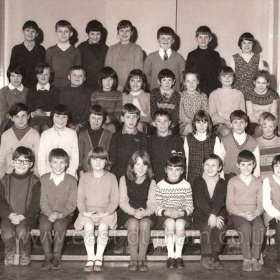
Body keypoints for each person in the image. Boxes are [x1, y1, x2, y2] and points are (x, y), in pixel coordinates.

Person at [75, 147, 118, 272]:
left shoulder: (111, 177)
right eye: (94, 159)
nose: (98, 163)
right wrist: (85, 213)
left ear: (106, 162)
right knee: (88, 227)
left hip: (106, 213)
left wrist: (106, 212)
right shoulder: (84, 178)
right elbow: (80, 199)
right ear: (90, 161)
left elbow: (114, 200)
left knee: (103, 227)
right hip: (87, 213)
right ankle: (90, 258)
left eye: (101, 159)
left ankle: (98, 258)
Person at [148, 109, 184, 255]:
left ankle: (174, 244)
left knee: (172, 210)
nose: (162, 124)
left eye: (165, 121)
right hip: (156, 180)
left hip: (173, 180)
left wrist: (179, 179)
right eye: (159, 121)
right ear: (153, 123)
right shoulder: (150, 140)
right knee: (159, 209)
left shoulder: (176, 139)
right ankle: (158, 244)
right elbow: (147, 161)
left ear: (170, 123)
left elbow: (181, 161)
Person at [0, 146, 41, 266]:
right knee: (7, 232)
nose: (22, 164)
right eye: (19, 160)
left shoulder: (35, 181)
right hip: (9, 215)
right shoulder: (4, 181)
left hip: (27, 216)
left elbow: (36, 203)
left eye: (26, 161)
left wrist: (24, 215)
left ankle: (25, 251)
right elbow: (0, 201)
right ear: (13, 162)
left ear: (31, 164)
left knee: (22, 231)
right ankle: (10, 252)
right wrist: (9, 214)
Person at [226, 150, 264, 272]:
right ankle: (247, 258)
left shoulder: (258, 182)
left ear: (254, 165)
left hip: (254, 213)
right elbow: (229, 205)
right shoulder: (233, 181)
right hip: (238, 213)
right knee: (245, 227)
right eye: (243, 164)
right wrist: (242, 214)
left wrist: (256, 213)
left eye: (249, 164)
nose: (246, 167)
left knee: (259, 226)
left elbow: (261, 204)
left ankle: (255, 258)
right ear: (238, 165)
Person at [119, 150, 157, 271]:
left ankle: (142, 259)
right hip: (129, 211)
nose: (141, 168)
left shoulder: (152, 181)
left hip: (146, 211)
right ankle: (133, 259)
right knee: (133, 223)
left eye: (144, 164)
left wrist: (145, 212)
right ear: (132, 165)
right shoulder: (124, 179)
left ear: (148, 166)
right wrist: (133, 212)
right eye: (137, 164)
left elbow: (152, 203)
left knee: (145, 223)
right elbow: (123, 201)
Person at [40, 148, 77, 270]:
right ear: (49, 163)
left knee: (59, 226)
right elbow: (43, 201)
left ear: (66, 164)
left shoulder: (72, 181)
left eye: (62, 162)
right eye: (55, 162)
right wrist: (50, 213)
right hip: (46, 213)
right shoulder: (44, 179)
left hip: (65, 215)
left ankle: (56, 257)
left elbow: (72, 204)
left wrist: (61, 214)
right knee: (45, 226)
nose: (58, 166)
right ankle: (47, 257)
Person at [155, 152, 193, 269]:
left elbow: (190, 207)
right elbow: (157, 207)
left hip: (182, 214)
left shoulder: (186, 185)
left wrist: (181, 213)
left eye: (177, 169)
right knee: (171, 223)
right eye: (170, 169)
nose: (173, 172)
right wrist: (167, 212)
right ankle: (170, 256)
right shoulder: (160, 185)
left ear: (182, 171)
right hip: (166, 215)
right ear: (165, 170)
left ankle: (178, 256)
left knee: (180, 223)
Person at [192, 154, 227, 270]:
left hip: (218, 212)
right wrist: (211, 215)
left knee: (221, 226)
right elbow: (200, 201)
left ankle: (215, 256)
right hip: (201, 212)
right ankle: (206, 256)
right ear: (203, 166)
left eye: (213, 165)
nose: (210, 168)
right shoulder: (198, 181)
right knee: (207, 226)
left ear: (220, 168)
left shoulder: (222, 183)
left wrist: (215, 216)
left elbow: (219, 201)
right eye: (207, 165)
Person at [38, 104, 79, 178]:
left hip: (68, 175)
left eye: (64, 117)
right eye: (57, 116)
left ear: (68, 118)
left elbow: (74, 159)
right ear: (52, 117)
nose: (61, 120)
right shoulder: (45, 134)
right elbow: (41, 160)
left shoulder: (72, 134)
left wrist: (68, 176)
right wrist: (45, 177)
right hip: (49, 175)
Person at [0, 103, 40, 178]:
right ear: (12, 118)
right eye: (16, 116)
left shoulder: (35, 135)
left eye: (23, 116)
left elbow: (38, 159)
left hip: (28, 176)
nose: (20, 119)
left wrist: (35, 178)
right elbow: (1, 160)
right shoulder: (5, 135)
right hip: (9, 175)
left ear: (28, 116)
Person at [109, 103, 148, 180]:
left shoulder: (143, 137)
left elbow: (144, 158)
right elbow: (112, 159)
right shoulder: (116, 136)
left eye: (134, 117)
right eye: (128, 117)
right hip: (119, 174)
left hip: (137, 174)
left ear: (138, 118)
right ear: (122, 118)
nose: (131, 120)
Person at [184, 110, 222, 186]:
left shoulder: (214, 139)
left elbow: (219, 160)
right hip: (192, 176)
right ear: (194, 123)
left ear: (209, 124)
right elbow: (186, 160)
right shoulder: (188, 138)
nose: (201, 125)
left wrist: (219, 177)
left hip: (209, 176)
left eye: (204, 122)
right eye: (198, 122)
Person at [220, 110, 260, 181]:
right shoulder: (225, 140)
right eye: (235, 122)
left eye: (241, 122)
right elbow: (220, 159)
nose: (239, 125)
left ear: (246, 124)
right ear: (231, 124)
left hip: (247, 174)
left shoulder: (253, 141)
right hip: (229, 175)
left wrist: (255, 177)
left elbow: (256, 162)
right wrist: (221, 176)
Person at [105, 20, 143, 92]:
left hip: (132, 87)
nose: (124, 33)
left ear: (131, 33)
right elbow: (108, 70)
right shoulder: (112, 49)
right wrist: (115, 85)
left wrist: (129, 86)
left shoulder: (137, 49)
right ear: (118, 32)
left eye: (127, 31)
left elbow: (138, 71)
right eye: (121, 30)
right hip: (114, 86)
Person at [144, 26, 185, 92]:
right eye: (162, 38)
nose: (165, 40)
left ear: (173, 40)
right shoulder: (150, 57)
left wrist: (175, 85)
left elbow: (182, 76)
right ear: (158, 40)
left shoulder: (179, 58)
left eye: (168, 38)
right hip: (156, 93)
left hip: (174, 94)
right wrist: (154, 84)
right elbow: (146, 75)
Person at [209, 66, 245, 138]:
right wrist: (225, 121)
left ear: (233, 78)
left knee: (238, 133)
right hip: (220, 125)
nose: (227, 78)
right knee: (226, 132)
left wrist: (235, 123)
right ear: (219, 78)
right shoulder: (214, 94)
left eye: (230, 76)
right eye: (224, 76)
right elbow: (212, 115)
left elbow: (243, 114)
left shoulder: (239, 94)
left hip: (236, 124)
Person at [185, 26, 221, 97]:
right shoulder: (191, 55)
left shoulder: (215, 55)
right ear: (196, 38)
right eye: (200, 37)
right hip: (196, 89)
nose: (203, 40)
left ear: (210, 39)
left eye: (206, 37)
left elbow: (218, 74)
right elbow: (188, 74)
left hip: (212, 89)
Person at [46, 20, 81, 91]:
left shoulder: (76, 51)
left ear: (71, 33)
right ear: (55, 33)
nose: (63, 34)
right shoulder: (50, 50)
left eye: (66, 31)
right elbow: (47, 71)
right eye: (60, 31)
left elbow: (78, 71)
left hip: (71, 85)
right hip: (54, 84)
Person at [9, 20, 46, 88]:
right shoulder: (16, 49)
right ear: (23, 31)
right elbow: (11, 70)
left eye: (33, 31)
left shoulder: (41, 49)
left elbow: (44, 71)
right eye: (28, 30)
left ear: (37, 34)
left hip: (36, 86)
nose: (30, 33)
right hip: (20, 86)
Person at [78, 104, 112, 176]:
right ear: (88, 118)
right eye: (93, 118)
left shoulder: (108, 134)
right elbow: (80, 154)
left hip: (103, 171)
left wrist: (107, 170)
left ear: (103, 119)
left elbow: (110, 154)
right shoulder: (82, 135)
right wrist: (81, 170)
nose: (96, 121)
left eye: (99, 118)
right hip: (86, 171)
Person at [26, 63, 60, 133]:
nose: (43, 76)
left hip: (49, 118)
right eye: (40, 74)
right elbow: (29, 107)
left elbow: (56, 108)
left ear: (50, 76)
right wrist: (34, 113)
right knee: (35, 128)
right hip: (34, 118)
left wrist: (45, 113)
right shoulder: (31, 90)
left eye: (46, 74)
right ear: (36, 75)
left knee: (46, 128)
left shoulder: (55, 91)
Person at [245, 70, 279, 137]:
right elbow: (250, 114)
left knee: (271, 129)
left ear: (268, 83)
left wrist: (267, 123)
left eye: (264, 83)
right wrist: (260, 123)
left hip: (269, 122)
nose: (261, 86)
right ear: (254, 82)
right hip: (254, 122)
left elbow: (273, 113)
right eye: (258, 82)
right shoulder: (249, 95)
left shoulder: (273, 95)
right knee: (259, 130)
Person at [60, 66, 92, 133]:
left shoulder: (89, 93)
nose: (77, 77)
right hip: (67, 122)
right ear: (69, 77)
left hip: (83, 123)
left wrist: (79, 125)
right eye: (74, 75)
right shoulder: (64, 92)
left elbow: (88, 112)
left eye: (80, 75)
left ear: (84, 79)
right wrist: (69, 124)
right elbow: (62, 110)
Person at [78, 20, 108, 90]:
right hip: (86, 83)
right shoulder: (81, 47)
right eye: (92, 34)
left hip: (101, 84)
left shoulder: (105, 48)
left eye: (98, 34)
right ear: (88, 33)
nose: (95, 37)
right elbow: (78, 66)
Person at [91, 67, 122, 134]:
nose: (108, 82)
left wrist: (111, 119)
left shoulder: (118, 94)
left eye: (110, 79)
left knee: (111, 127)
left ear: (114, 81)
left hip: (113, 121)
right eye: (105, 79)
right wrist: (103, 119)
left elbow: (118, 112)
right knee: (101, 126)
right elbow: (93, 111)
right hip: (98, 119)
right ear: (100, 80)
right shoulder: (95, 94)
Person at [263, 155, 280, 273]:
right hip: (272, 214)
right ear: (272, 168)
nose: (279, 168)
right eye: (276, 166)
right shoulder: (268, 180)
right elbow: (266, 203)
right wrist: (277, 214)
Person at [179, 70, 208, 136]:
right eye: (188, 81)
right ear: (184, 82)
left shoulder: (203, 96)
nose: (191, 84)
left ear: (198, 82)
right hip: (184, 123)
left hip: (200, 122)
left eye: (194, 81)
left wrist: (198, 122)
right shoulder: (180, 95)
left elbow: (205, 112)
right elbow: (180, 113)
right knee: (190, 129)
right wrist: (190, 121)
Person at [0, 64, 28, 131]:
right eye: (13, 76)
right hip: (8, 120)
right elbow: (2, 109)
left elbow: (28, 108)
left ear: (22, 77)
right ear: (9, 77)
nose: (16, 79)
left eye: (19, 75)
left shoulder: (27, 91)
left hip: (24, 120)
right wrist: (11, 117)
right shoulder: (3, 91)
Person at [257, 112, 280, 181]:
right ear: (260, 127)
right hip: (262, 178)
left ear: (275, 127)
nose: (268, 129)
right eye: (265, 127)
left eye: (271, 127)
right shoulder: (256, 142)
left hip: (278, 177)